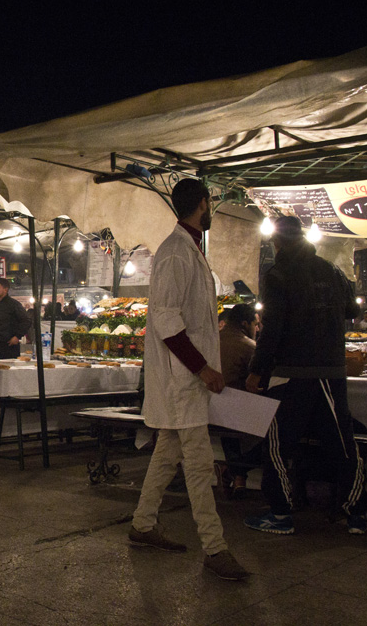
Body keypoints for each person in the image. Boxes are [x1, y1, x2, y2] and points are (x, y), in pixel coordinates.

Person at [129, 178, 247, 581]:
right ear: (202, 204)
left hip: (187, 381)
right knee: (198, 467)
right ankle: (215, 548)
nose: (211, 207)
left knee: (166, 456)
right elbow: (165, 320)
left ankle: (143, 524)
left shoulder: (188, 248)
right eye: (210, 202)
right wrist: (202, 368)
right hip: (183, 380)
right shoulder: (176, 252)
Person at [245, 215, 367, 535]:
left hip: (291, 372)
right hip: (331, 370)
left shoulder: (278, 274)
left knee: (278, 444)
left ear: (278, 241)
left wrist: (257, 370)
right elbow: (353, 311)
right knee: (342, 443)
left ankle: (281, 514)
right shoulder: (331, 270)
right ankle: (356, 512)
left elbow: (272, 330)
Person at [217, 304, 263, 498]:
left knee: (228, 419)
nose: (258, 329)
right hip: (232, 410)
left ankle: (235, 474)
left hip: (211, 406)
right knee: (281, 431)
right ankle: (238, 472)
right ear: (245, 324)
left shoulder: (211, 340)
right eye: (256, 324)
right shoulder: (248, 346)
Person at [0, 278, 30, 359]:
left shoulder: (14, 304)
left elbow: (26, 321)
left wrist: (17, 336)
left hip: (9, 345)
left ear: (5, 289)